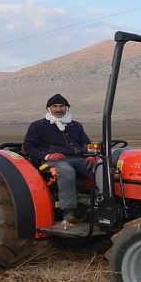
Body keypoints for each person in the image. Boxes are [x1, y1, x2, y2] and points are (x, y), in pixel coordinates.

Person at [23, 94, 99, 225]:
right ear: (49, 109)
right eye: (55, 106)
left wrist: (91, 155)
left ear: (67, 108)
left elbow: (86, 144)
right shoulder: (38, 126)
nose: (59, 109)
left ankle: (101, 204)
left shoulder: (76, 125)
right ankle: (69, 212)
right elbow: (28, 147)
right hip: (51, 162)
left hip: (77, 159)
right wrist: (48, 156)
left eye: (62, 106)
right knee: (66, 171)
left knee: (100, 168)